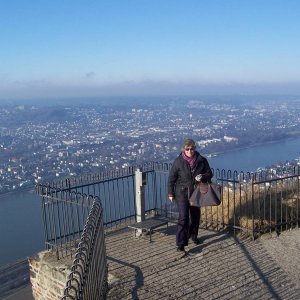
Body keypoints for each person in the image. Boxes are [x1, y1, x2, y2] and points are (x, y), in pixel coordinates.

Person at [168, 138, 213, 252]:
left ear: (194, 148)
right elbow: (171, 179)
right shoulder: (178, 161)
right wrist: (170, 193)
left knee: (195, 217)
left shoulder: (201, 160)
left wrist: (203, 177)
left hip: (196, 193)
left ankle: (194, 236)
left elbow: (209, 173)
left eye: (191, 149)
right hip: (181, 193)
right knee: (183, 218)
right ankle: (181, 243)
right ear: (184, 149)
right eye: (187, 149)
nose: (189, 151)